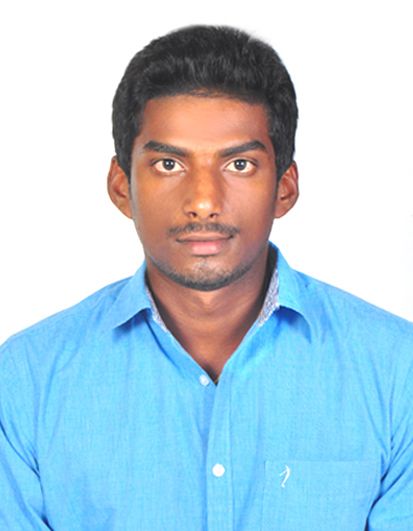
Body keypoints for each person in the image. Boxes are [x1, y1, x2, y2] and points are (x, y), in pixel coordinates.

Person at [0, 25, 412, 531]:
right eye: (168, 163)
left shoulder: (398, 372)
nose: (202, 201)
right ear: (121, 186)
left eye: (239, 164)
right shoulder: (25, 380)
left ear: (284, 188)